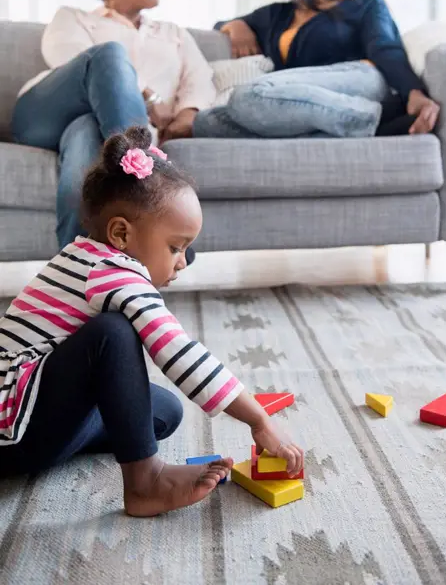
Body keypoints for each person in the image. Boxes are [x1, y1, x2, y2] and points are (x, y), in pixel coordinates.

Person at [0, 126, 303, 517]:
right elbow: (177, 350)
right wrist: (258, 419)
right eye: (175, 247)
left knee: (163, 413)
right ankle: (145, 483)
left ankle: (82, 444)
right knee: (112, 334)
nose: (182, 261)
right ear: (122, 234)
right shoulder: (112, 272)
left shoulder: (86, 255)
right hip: (13, 430)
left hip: (30, 408)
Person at [12, 0, 214, 259]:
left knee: (87, 136)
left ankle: (83, 273)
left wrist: (186, 116)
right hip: (44, 116)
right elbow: (69, 59)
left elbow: (200, 81)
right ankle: (150, 185)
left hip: (90, 129)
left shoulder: (174, 33)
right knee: (108, 55)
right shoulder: (74, 19)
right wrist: (148, 96)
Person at [178, 0, 439, 142]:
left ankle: (369, 118)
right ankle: (332, 130)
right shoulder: (276, 15)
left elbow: (386, 48)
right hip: (297, 101)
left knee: (247, 96)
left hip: (360, 80)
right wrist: (237, 26)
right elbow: (220, 24)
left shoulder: (364, 5)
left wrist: (412, 91)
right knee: (206, 122)